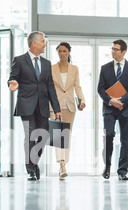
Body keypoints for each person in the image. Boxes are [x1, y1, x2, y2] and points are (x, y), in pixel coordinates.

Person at [8, 31, 62, 181]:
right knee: (30, 136)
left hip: (43, 105)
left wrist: (56, 109)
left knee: (43, 136)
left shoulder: (46, 63)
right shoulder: (19, 60)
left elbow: (50, 86)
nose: (45, 44)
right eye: (43, 41)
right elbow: (13, 78)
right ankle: (30, 169)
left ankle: (34, 162)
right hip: (26, 104)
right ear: (34, 44)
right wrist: (13, 83)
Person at [97, 39, 128, 181]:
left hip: (126, 109)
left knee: (125, 141)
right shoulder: (105, 68)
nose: (113, 51)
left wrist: (121, 100)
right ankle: (107, 166)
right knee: (109, 135)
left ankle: (122, 171)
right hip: (109, 108)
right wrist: (110, 100)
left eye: (116, 49)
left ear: (123, 52)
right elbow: (100, 89)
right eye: (112, 49)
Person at [50, 42, 86, 180]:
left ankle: (63, 164)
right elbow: (50, 88)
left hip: (70, 106)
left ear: (69, 52)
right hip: (55, 107)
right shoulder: (52, 68)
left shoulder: (74, 69)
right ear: (57, 53)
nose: (62, 54)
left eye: (65, 51)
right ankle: (62, 165)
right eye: (60, 51)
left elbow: (77, 86)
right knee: (58, 135)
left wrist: (82, 100)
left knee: (67, 136)